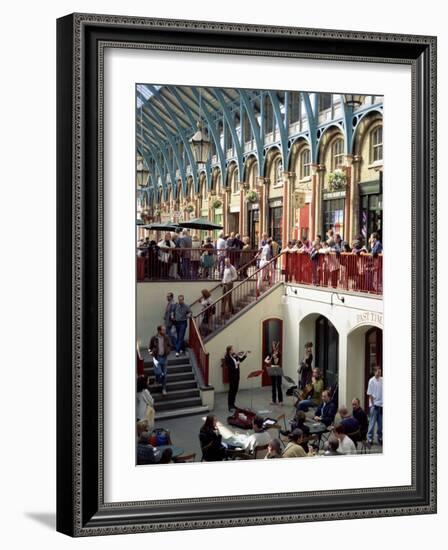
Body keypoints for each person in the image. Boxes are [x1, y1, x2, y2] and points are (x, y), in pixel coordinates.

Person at [224, 345, 249, 411]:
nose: (233, 350)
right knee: (231, 391)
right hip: (232, 376)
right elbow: (229, 366)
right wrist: (236, 364)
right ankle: (230, 405)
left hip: (237, 375)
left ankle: (233, 404)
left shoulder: (235, 355)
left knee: (235, 390)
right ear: (229, 350)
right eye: (232, 349)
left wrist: (245, 355)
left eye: (233, 349)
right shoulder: (227, 357)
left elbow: (240, 360)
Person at [149, 325, 171, 395]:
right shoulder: (154, 338)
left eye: (165, 330)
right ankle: (157, 379)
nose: (164, 331)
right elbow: (150, 347)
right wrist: (151, 353)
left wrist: (168, 351)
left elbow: (169, 345)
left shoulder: (166, 337)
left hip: (164, 357)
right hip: (157, 358)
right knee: (158, 372)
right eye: (163, 330)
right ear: (159, 331)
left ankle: (164, 389)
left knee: (164, 374)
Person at [367, 366, 383, 445]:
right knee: (372, 423)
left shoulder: (382, 380)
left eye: (380, 372)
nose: (379, 373)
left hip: (382, 405)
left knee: (380, 424)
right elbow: (370, 394)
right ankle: (370, 438)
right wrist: (373, 405)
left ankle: (380, 437)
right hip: (374, 405)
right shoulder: (371, 381)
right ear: (374, 372)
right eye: (378, 372)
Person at [264, 340, 283, 405]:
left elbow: (276, 362)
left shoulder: (279, 353)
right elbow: (265, 360)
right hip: (272, 368)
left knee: (278, 386)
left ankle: (280, 401)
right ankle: (273, 400)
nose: (273, 347)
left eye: (274, 346)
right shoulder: (271, 352)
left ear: (276, 346)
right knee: (273, 386)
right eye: (272, 346)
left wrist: (275, 358)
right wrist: (268, 361)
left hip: (277, 368)